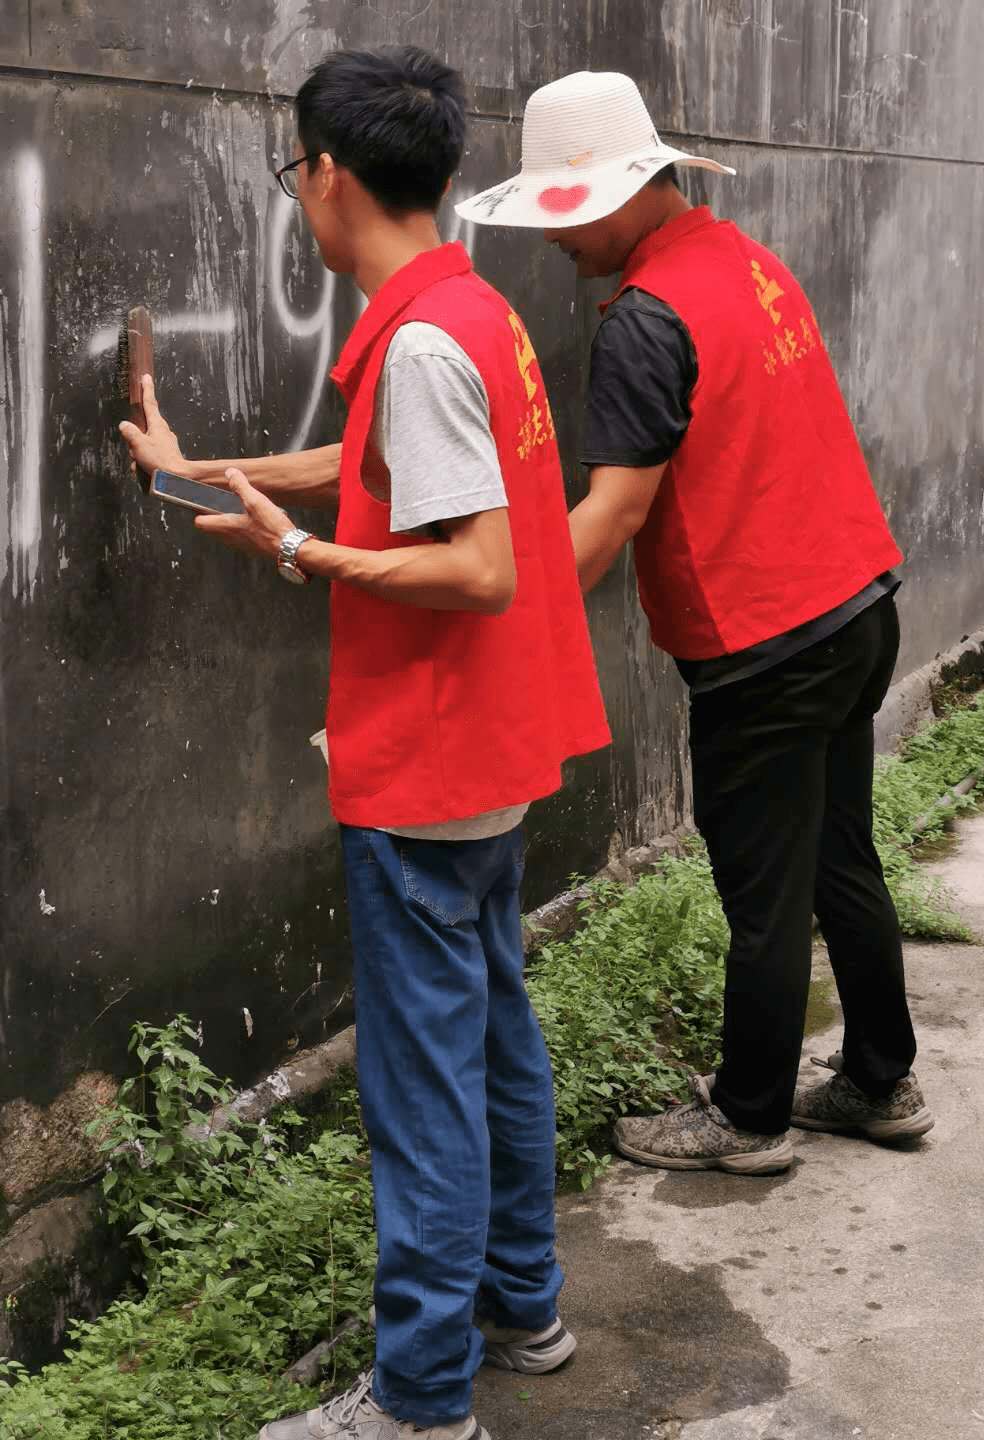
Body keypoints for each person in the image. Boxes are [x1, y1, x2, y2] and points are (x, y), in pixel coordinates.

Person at [120, 46, 610, 1440]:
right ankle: (524, 1307)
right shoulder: (462, 314)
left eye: (297, 173)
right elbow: (380, 459)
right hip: (490, 759)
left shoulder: (427, 340)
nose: (300, 199)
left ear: (328, 177)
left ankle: (419, 1399)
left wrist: (310, 556)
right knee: (500, 1040)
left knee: (424, 1086)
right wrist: (201, 470)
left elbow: (480, 567)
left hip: (429, 767)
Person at [456, 70, 933, 1179]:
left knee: (764, 891)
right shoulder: (745, 263)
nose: (556, 244)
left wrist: (503, 617)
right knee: (837, 856)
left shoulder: (644, 321)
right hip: (858, 607)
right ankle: (877, 1078)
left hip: (767, 643)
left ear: (622, 193)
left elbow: (612, 515)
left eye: (564, 215)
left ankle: (750, 1117)